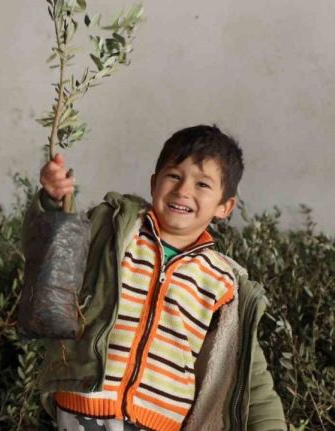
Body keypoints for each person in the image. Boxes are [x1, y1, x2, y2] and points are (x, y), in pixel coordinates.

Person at [22, 125, 286, 431]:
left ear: (224, 207)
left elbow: (249, 373)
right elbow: (50, 255)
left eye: (202, 184)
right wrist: (53, 202)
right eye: (174, 175)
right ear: (153, 182)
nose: (183, 190)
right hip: (83, 408)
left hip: (157, 424)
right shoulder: (114, 232)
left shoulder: (222, 282)